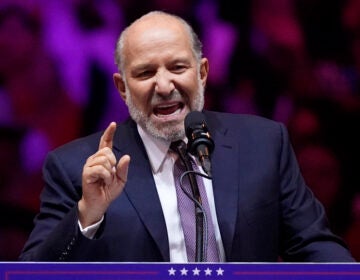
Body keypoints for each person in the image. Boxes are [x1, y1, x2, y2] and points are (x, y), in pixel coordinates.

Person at [19, 10, 355, 262]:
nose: (164, 86)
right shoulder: (77, 166)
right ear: (122, 88)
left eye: (178, 68)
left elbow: (315, 247)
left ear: (203, 73)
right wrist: (86, 214)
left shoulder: (263, 144)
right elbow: (34, 272)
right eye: (146, 72)